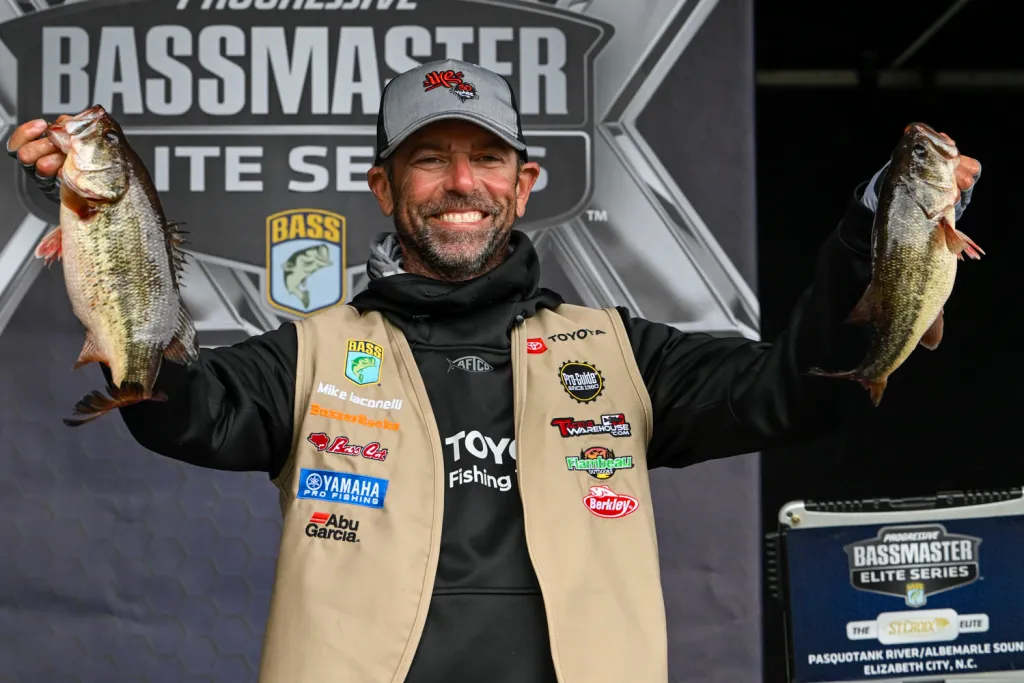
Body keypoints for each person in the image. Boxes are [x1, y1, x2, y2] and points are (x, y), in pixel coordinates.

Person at [7, 59, 982, 683]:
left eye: (486, 158)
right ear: (383, 185)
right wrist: (93, 213)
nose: (460, 182)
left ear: (524, 182)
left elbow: (802, 390)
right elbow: (176, 407)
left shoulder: (621, 354)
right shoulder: (306, 354)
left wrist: (885, 223)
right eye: (429, 158)